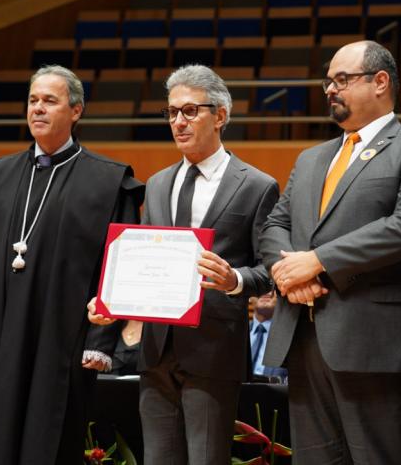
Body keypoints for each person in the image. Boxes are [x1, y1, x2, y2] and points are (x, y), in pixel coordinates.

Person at [259, 40, 401, 464]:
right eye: (328, 81)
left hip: (378, 344)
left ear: (380, 81)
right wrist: (288, 273)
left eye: (342, 80)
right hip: (304, 337)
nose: (331, 89)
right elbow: (275, 224)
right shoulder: (312, 158)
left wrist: (317, 262)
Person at [90, 64, 279, 465]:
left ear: (221, 116)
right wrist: (110, 302)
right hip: (156, 351)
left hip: (213, 349)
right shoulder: (158, 182)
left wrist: (233, 280)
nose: (179, 121)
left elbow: (270, 270)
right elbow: (140, 260)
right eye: (172, 112)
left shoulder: (257, 185)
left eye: (191, 111)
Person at [0, 65, 144, 464]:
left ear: (77, 111)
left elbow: (119, 268)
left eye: (50, 100)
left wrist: (100, 343)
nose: (38, 109)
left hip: (62, 346)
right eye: (33, 100)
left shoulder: (109, 182)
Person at [249, 291, 288, 383]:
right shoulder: (236, 333)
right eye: (261, 285)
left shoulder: (294, 337)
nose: (266, 292)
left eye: (272, 286)